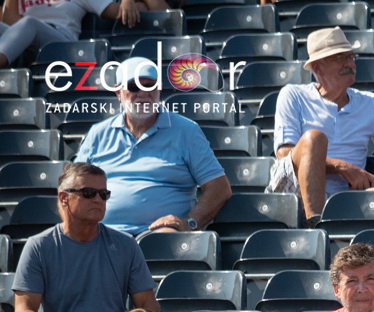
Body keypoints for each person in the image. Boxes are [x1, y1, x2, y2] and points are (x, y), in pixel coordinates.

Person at [270, 26, 374, 227]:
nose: (350, 64)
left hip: (347, 197)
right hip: (294, 193)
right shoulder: (293, 95)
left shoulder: (368, 103)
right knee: (314, 139)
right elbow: (285, 154)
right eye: (340, 57)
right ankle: (316, 228)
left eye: (351, 57)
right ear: (318, 68)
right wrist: (341, 167)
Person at [12, 162, 158, 312]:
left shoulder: (125, 245)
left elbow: (147, 304)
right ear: (64, 198)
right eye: (88, 193)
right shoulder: (39, 246)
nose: (98, 200)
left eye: (104, 194)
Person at [75, 57, 232, 236]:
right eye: (134, 87)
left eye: (149, 86)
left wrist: (189, 223)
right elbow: (73, 188)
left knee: (163, 241)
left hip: (160, 235)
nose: (143, 93)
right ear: (118, 93)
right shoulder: (98, 133)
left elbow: (219, 188)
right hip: (105, 233)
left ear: (159, 90)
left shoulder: (186, 131)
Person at [0, 0, 159, 70]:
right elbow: (11, 26)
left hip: (60, 42)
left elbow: (122, 13)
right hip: (25, 43)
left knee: (30, 22)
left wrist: (128, 1)